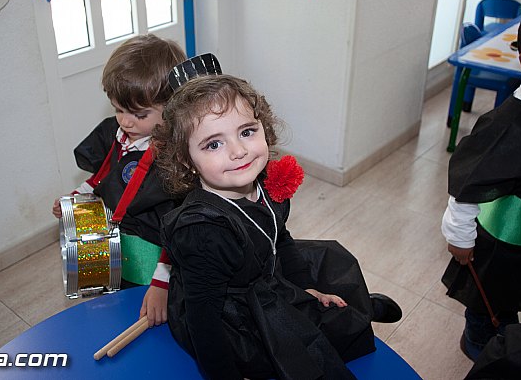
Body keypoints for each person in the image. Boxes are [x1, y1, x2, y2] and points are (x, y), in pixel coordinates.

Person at [153, 74, 402, 380]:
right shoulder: (203, 232)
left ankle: (357, 309)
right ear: (187, 160)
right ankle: (356, 316)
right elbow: (205, 323)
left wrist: (304, 287)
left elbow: (280, 235)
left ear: (264, 128)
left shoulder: (264, 184)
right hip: (234, 314)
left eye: (247, 131)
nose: (238, 151)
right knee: (305, 346)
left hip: (266, 271)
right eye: (214, 143)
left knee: (332, 262)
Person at [441, 0, 521, 362]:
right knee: (489, 302)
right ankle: (481, 347)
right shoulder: (506, 127)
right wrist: (459, 236)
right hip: (502, 240)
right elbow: (465, 184)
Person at [52, 34, 186, 326]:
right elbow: (104, 173)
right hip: (115, 249)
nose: (125, 121)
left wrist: (162, 282)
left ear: (173, 106)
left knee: (152, 322)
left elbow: (181, 229)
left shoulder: (177, 159)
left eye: (139, 114)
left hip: (154, 265)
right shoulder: (121, 132)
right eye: (118, 109)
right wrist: (80, 195)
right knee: (113, 314)